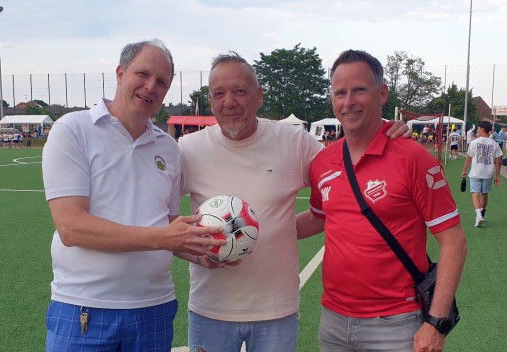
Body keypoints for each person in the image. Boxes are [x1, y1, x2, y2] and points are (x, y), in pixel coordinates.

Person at [178, 51, 411, 352]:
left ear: (259, 96)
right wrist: (198, 255)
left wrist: (385, 133)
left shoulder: (294, 143)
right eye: (218, 94)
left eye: (240, 91)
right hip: (210, 310)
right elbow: (164, 224)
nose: (229, 102)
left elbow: (349, 170)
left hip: (277, 311)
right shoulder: (187, 150)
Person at [42, 39, 225, 352]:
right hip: (84, 308)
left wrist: (199, 252)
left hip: (154, 309)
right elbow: (71, 227)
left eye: (161, 82)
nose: (151, 86)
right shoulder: (72, 129)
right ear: (120, 73)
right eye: (143, 74)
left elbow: (164, 222)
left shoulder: (169, 148)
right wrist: (163, 239)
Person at [297, 50, 467, 352]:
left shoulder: (414, 158)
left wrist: (436, 322)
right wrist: (263, 227)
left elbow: (453, 242)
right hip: (333, 320)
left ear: (382, 93)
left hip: (397, 323)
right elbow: (318, 217)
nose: (348, 102)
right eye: (340, 93)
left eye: (360, 89)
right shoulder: (323, 161)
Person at [462, 121, 502, 227]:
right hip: (488, 173)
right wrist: (498, 176)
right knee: (484, 194)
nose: (477, 130)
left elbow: (469, 158)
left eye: (478, 129)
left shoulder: (474, 143)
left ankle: (478, 215)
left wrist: (464, 170)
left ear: (482, 130)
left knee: (475, 193)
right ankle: (482, 213)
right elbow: (497, 162)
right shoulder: (495, 144)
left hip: (476, 172)